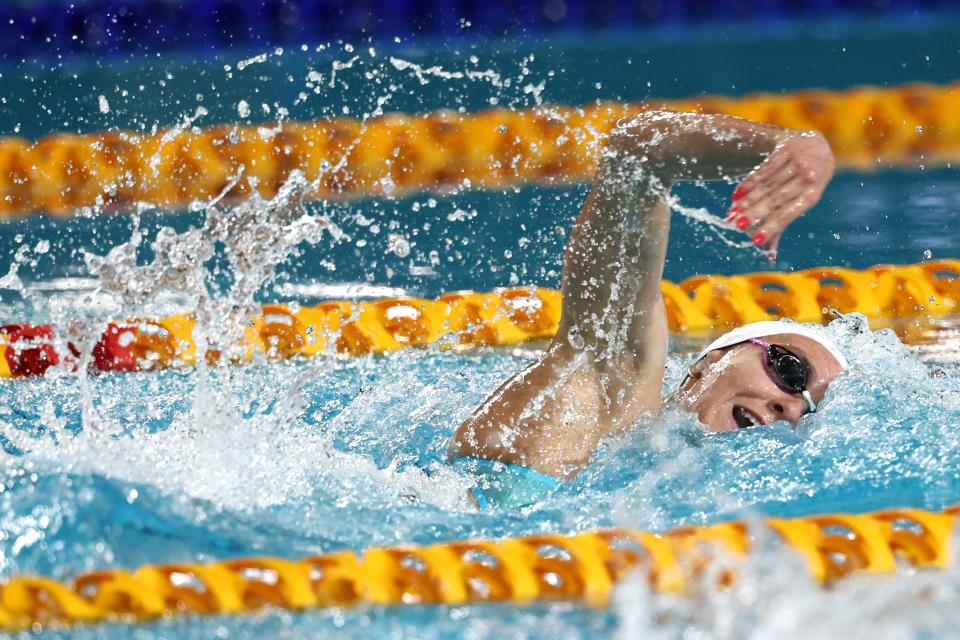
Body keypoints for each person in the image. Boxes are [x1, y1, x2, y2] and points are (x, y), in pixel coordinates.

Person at [446, 110, 847, 509]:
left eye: (810, 413)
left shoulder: (668, 482)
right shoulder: (603, 386)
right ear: (710, 361)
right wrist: (787, 144)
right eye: (790, 371)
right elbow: (636, 151)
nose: (790, 407)